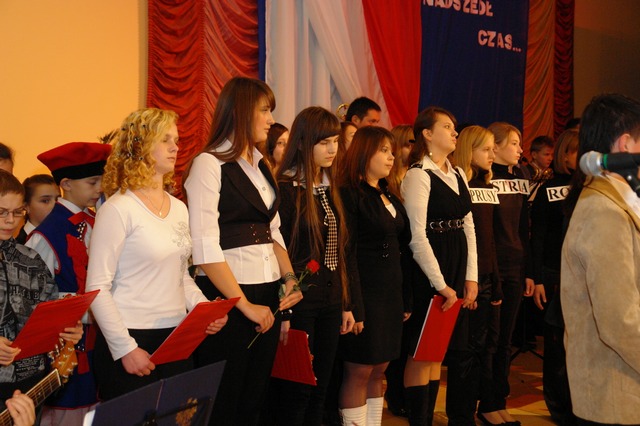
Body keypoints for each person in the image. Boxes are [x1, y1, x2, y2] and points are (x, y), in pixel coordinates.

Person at [183, 76, 302, 426]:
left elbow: (273, 231)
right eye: (264, 110)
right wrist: (244, 305)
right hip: (228, 297)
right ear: (240, 111)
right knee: (223, 402)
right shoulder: (209, 164)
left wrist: (290, 279)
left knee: (253, 401)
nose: (270, 119)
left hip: (266, 293)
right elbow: (204, 247)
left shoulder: (262, 164)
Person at [86, 108, 227, 400]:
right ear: (139, 146)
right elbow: (97, 288)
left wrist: (203, 309)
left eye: (176, 139)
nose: (175, 147)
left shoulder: (179, 208)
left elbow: (180, 275)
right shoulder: (117, 209)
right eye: (165, 140)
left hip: (176, 337)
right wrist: (125, 348)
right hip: (131, 337)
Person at [267, 106, 355, 426]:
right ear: (304, 143)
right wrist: (286, 309)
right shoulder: (285, 188)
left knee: (321, 388)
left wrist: (345, 303)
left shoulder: (328, 186)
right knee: (297, 391)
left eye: (336, 142)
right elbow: (276, 249)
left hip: (330, 300)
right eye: (324, 142)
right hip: (299, 301)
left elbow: (338, 252)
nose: (333, 149)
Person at [561, 93, 640, 425]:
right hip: (615, 394)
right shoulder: (603, 210)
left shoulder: (624, 198)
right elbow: (619, 320)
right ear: (625, 144)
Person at [401, 107, 478, 426]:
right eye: (447, 127)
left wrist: (471, 277)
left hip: (457, 263)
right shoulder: (418, 174)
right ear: (427, 134)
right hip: (430, 268)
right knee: (422, 351)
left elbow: (468, 226)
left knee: (438, 351)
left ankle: (428, 417)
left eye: (454, 127)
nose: (455, 132)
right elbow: (416, 236)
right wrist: (440, 284)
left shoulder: (458, 173)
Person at [25, 141, 111, 425]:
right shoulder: (45, 235)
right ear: (66, 184)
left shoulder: (98, 222)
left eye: (101, 180)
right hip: (66, 350)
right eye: (92, 182)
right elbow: (34, 299)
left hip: (100, 346)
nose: (100, 188)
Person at [338, 126, 411, 426]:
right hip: (365, 293)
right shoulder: (349, 193)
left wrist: (405, 297)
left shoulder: (387, 193)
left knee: (380, 369)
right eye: (383, 150)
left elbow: (402, 249)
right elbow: (346, 254)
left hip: (390, 293)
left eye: (391, 151)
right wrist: (353, 304)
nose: (391, 157)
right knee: (359, 369)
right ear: (363, 152)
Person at [0, 170, 82, 422]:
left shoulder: (31, 259)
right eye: (2, 212)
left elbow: (50, 313)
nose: (11, 221)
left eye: (18, 212)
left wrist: (68, 330)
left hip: (32, 381)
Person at [479, 122, 534, 426]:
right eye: (513, 143)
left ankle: (498, 401)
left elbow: (524, 228)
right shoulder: (485, 180)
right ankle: (485, 403)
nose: (520, 150)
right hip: (493, 268)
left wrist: (529, 272)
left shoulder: (521, 179)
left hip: (516, 266)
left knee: (506, 341)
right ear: (495, 146)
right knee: (490, 339)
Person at [452, 125, 504, 426]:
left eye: (493, 149)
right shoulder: (458, 184)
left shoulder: (489, 186)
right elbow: (462, 239)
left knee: (486, 347)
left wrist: (494, 281)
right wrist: (467, 281)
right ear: (468, 150)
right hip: (467, 280)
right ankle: (460, 416)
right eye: (485, 149)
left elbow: (490, 239)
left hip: (486, 278)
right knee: (465, 352)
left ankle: (477, 408)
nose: (491, 154)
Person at [530, 128, 578, 425]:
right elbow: (537, 237)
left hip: (581, 272)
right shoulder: (549, 188)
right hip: (553, 272)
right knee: (557, 342)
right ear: (564, 154)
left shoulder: (589, 185)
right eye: (576, 151)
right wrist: (536, 277)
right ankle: (558, 405)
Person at [383, 123, 414, 418]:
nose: (410, 149)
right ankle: (395, 393)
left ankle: (404, 392)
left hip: (410, 265)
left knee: (409, 341)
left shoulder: (417, 175)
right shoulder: (389, 184)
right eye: (407, 143)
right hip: (391, 265)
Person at [16, 175, 59, 244]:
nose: (56, 205)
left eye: (57, 199)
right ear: (26, 206)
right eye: (45, 201)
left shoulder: (65, 235)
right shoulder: (20, 246)